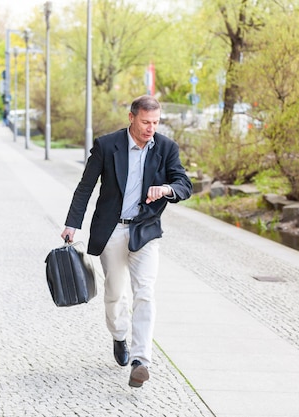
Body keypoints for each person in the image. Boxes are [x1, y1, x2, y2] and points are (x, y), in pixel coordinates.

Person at [61, 95, 192, 388]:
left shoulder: (166, 147)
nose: (150, 128)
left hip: (145, 231)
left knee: (145, 291)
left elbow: (184, 184)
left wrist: (166, 189)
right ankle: (119, 335)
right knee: (115, 294)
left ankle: (141, 359)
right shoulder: (107, 145)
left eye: (156, 123)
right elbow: (85, 187)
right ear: (131, 118)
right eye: (146, 122)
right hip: (112, 231)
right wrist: (72, 224)